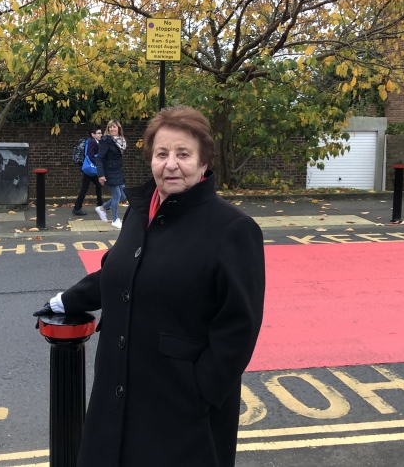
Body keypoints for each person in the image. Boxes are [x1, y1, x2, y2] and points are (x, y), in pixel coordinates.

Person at [35, 106, 265, 467]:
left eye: (183, 154)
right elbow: (122, 272)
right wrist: (65, 300)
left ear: (204, 161)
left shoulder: (232, 229)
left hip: (181, 411)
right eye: (161, 154)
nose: (170, 164)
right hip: (115, 398)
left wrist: (201, 391)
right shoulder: (140, 212)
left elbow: (239, 326)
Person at [94, 119, 126, 229]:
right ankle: (115, 219)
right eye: (110, 127)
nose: (112, 129)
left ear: (118, 128)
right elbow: (100, 158)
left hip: (117, 170)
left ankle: (102, 208)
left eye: (114, 127)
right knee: (117, 195)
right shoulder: (106, 140)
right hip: (109, 171)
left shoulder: (120, 141)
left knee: (123, 194)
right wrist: (101, 175)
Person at [72, 125, 104, 216]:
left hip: (89, 168)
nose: (100, 135)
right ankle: (77, 208)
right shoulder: (93, 142)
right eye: (98, 133)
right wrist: (97, 163)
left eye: (100, 133)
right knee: (84, 188)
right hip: (90, 168)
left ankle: (100, 204)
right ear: (92, 134)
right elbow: (90, 155)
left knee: (98, 184)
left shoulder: (92, 141)